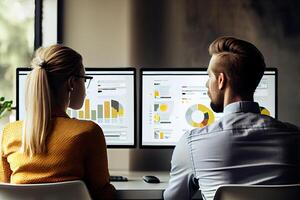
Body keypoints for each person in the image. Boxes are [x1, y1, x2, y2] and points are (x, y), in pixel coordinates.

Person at [164, 36, 300, 200]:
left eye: (209, 77)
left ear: (221, 80)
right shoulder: (295, 137)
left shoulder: (191, 143)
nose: (207, 84)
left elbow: (173, 198)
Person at [0, 44, 115, 199]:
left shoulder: (10, 133)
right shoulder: (88, 132)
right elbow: (102, 195)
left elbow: (6, 189)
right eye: (84, 79)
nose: (85, 88)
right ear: (72, 83)